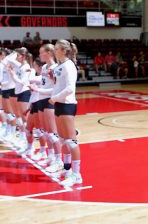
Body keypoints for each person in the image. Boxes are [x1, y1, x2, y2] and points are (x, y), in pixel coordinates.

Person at [48, 39, 82, 186]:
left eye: (56, 49)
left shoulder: (69, 66)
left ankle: (77, 175)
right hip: (59, 104)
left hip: (67, 104)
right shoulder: (59, 66)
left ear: (64, 51)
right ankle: (67, 170)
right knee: (62, 140)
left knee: (71, 142)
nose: (54, 51)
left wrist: (54, 98)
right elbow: (59, 85)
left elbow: (69, 89)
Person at [29, 43, 63, 172]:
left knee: (53, 133)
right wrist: (33, 83)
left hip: (49, 101)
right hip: (41, 99)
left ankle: (59, 160)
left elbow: (55, 89)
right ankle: (51, 157)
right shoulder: (44, 67)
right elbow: (43, 83)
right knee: (47, 133)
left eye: (41, 52)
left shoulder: (55, 68)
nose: (39, 55)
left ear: (49, 53)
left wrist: (38, 90)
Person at [7, 47, 32, 149]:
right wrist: (11, 73)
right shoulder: (20, 66)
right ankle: (22, 137)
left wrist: (13, 75)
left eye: (18, 55)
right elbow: (9, 61)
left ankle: (28, 143)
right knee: (21, 118)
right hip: (19, 92)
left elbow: (22, 82)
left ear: (22, 57)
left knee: (25, 119)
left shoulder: (26, 67)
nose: (16, 57)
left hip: (24, 92)